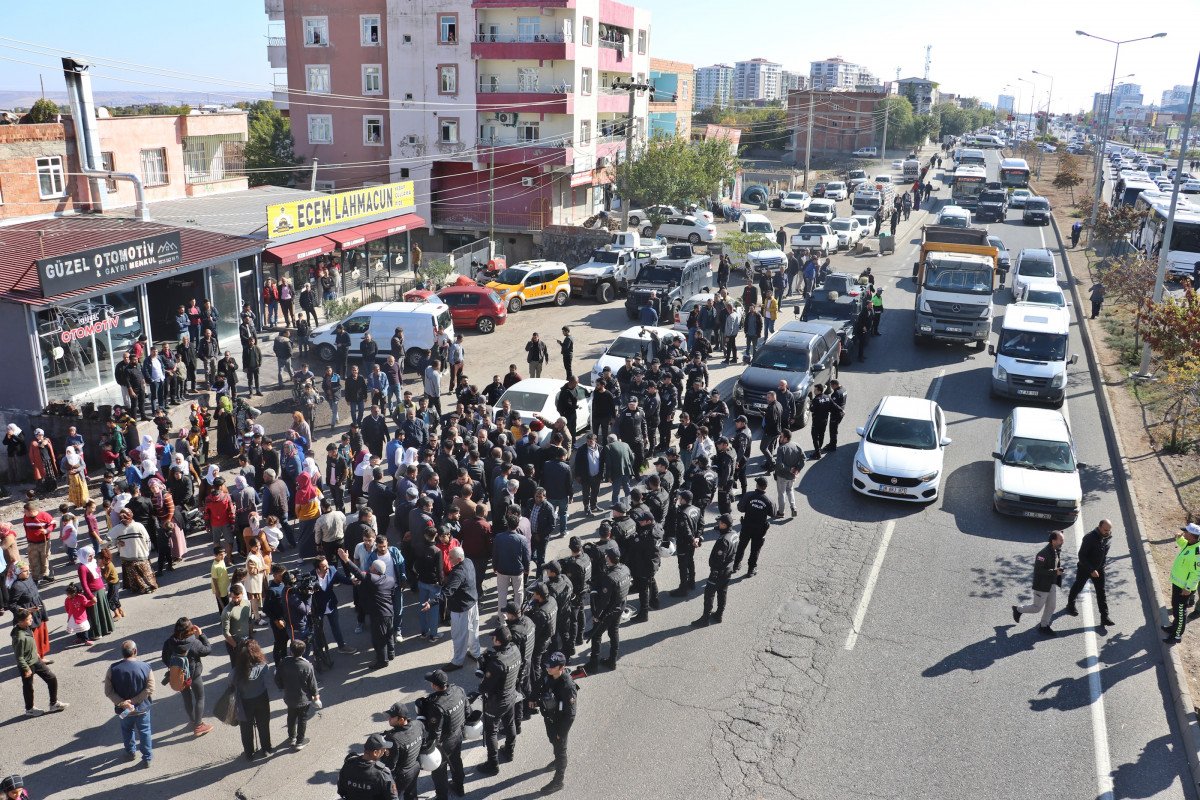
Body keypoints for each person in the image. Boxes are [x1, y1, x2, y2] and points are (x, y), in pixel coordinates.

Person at [421, 546, 479, 670]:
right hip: (472, 602)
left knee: (458, 635)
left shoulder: (458, 573)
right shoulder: (468, 561)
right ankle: (476, 653)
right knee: (473, 630)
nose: (448, 558)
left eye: (451, 557)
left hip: (461, 608)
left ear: (458, 559)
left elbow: (447, 592)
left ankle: (457, 661)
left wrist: (431, 603)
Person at [337, 548, 396, 668]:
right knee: (389, 635)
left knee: (379, 639)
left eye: (371, 567)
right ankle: (391, 653)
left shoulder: (371, 578)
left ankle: (382, 661)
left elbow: (358, 572)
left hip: (378, 615)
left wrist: (346, 560)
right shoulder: (390, 580)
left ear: (374, 570)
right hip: (389, 612)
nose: (369, 568)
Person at [476, 625, 521, 775]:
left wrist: (485, 669)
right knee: (510, 723)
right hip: (511, 695)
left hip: (498, 701)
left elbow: (483, 688)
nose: (492, 639)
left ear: (498, 641)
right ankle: (509, 751)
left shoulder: (496, 663)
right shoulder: (515, 650)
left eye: (494, 637)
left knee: (491, 732)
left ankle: (492, 764)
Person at [161, 617, 214, 737]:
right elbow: (207, 650)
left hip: (180, 676)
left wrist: (175, 668)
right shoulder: (194, 642)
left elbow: (165, 658)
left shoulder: (169, 642)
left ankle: (193, 720)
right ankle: (199, 725)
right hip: (194, 675)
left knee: (187, 698)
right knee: (200, 697)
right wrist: (201, 635)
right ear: (190, 629)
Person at [103, 639, 154, 766]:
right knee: (145, 731)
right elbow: (150, 688)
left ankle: (130, 752)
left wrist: (122, 703)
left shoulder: (113, 669)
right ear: (135, 651)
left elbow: (108, 691)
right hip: (142, 709)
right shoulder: (146, 667)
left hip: (124, 711)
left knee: (127, 730)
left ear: (122, 653)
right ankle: (147, 758)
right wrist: (134, 701)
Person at [420, 668, 468, 800]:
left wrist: (429, 748)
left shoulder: (436, 705)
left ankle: (442, 797)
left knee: (439, 771)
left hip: (445, 742)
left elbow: (435, 732)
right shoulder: (458, 690)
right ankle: (459, 787)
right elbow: (467, 711)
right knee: (456, 761)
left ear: (434, 686)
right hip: (458, 734)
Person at [12, 608, 67, 717]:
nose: (31, 620)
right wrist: (26, 669)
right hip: (27, 665)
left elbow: (31, 643)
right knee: (28, 687)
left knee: (51, 678)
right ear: (21, 621)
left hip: (36, 660)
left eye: (31, 618)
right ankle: (30, 709)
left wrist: (36, 653)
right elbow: (19, 657)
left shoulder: (26, 627)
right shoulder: (19, 637)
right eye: (29, 619)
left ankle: (53, 703)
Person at [585, 548, 631, 672]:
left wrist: (596, 615)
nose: (605, 558)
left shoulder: (610, 578)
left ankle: (593, 664)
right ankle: (612, 661)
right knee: (614, 632)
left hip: (608, 611)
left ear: (609, 559)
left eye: (607, 556)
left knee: (596, 636)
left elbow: (603, 601)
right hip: (620, 606)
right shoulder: (625, 569)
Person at [1011, 531, 1065, 636]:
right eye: (1061, 540)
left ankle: (1044, 626)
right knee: (1037, 608)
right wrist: (1055, 572)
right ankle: (1018, 609)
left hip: (1051, 584)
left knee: (1051, 606)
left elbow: (1055, 564)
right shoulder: (1042, 554)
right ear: (1053, 541)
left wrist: (1058, 570)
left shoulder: (1056, 550)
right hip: (1042, 585)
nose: (1063, 541)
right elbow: (1039, 570)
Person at [538, 651, 577, 794]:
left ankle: (558, 781)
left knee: (561, 750)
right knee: (553, 742)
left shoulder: (567, 686)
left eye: (552, 666)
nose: (548, 668)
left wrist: (561, 733)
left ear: (561, 668)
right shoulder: (550, 676)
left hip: (560, 724)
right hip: (551, 719)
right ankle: (557, 760)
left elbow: (571, 715)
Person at [1064, 519, 1115, 626]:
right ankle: (1070, 604)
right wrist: (1091, 570)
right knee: (1079, 586)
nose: (1107, 532)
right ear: (1099, 527)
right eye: (1105, 530)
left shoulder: (1108, 537)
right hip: (1085, 568)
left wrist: (1102, 566)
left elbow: (1104, 553)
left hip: (1099, 569)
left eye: (1109, 530)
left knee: (1101, 592)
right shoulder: (1089, 538)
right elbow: (1081, 556)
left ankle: (1104, 616)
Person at [692, 513, 738, 626]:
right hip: (728, 570)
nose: (718, 523)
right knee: (722, 592)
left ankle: (705, 619)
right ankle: (719, 615)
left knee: (709, 594)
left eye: (720, 522)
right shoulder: (734, 534)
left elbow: (718, 560)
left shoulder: (723, 540)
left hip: (719, 572)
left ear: (724, 524)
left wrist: (714, 571)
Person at [274, 638, 320, 749]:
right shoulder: (307, 666)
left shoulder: (284, 662)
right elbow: (312, 683)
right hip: (304, 698)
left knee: (291, 717)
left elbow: (277, 678)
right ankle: (300, 741)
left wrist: (282, 687)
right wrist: (316, 695)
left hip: (289, 697)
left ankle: (292, 737)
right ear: (303, 651)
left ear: (291, 651)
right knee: (302, 719)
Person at [234, 639, 273, 760]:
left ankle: (249, 753)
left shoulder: (236, 672)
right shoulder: (263, 667)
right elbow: (268, 682)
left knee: (246, 728)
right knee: (263, 725)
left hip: (244, 702)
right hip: (261, 698)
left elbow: (231, 683)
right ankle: (266, 748)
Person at [381, 702, 425, 800]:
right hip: (415, 767)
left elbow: (390, 765)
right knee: (411, 794)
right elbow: (423, 744)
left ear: (401, 720)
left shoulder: (393, 738)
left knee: (392, 796)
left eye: (392, 717)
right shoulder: (418, 725)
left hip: (402, 775)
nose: (389, 719)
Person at [1164, 523, 1200, 644]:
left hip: (1184, 588)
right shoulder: (1190, 544)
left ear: (1192, 535)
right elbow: (1184, 544)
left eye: (1186, 532)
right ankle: (1174, 628)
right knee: (1175, 608)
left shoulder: (1197, 553)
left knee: (1180, 612)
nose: (1184, 532)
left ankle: (1177, 636)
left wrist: (1188, 588)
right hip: (1178, 584)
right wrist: (1179, 538)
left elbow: (1197, 573)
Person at [339, 733, 399, 800]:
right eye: (383, 749)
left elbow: (341, 791)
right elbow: (393, 798)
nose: (385, 750)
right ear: (375, 752)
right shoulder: (382, 773)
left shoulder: (349, 764)